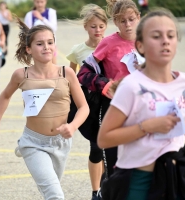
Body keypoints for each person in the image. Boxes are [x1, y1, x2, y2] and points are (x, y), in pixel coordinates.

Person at [0, 18, 89, 200]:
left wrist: (72, 127)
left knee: (50, 190)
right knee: (55, 194)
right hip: (33, 142)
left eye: (50, 43)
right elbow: (5, 96)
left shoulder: (67, 73)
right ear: (29, 49)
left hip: (60, 143)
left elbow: (83, 108)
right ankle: (25, 149)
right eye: (40, 44)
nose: (46, 47)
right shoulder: (21, 75)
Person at [98, 8, 185, 200]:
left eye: (171, 35)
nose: (165, 41)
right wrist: (147, 127)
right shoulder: (131, 86)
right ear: (140, 46)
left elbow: (182, 127)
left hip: (174, 178)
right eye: (156, 36)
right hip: (139, 180)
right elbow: (104, 139)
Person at [77, 0, 141, 179]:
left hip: (142, 108)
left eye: (131, 19)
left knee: (142, 165)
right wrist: (106, 85)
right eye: (122, 21)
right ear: (115, 21)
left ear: (138, 17)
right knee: (114, 166)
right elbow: (83, 73)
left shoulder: (148, 40)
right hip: (115, 108)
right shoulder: (108, 43)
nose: (127, 24)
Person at [66, 4, 107, 200]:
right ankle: (95, 191)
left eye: (100, 26)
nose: (97, 30)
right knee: (96, 145)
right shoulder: (78, 50)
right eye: (93, 26)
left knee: (110, 146)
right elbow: (70, 76)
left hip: (109, 100)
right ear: (85, 27)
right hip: (89, 101)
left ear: (106, 27)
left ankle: (107, 182)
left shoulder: (111, 45)